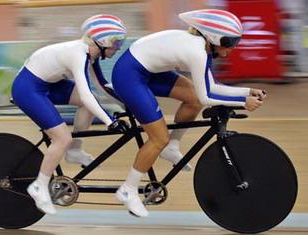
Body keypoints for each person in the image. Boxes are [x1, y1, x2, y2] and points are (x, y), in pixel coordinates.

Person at [112, 9, 267, 217]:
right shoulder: (197, 51)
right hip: (129, 75)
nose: (234, 47)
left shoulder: (204, 46)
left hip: (147, 69)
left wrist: (247, 91)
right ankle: (127, 190)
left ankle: (173, 147)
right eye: (230, 42)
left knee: (192, 99)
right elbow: (207, 98)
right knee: (159, 138)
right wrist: (242, 101)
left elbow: (210, 87)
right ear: (213, 37)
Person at [11, 14, 129, 215]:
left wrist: (127, 105)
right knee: (62, 138)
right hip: (28, 88)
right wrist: (110, 121)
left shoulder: (91, 54)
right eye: (117, 42)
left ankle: (74, 151)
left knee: (89, 104)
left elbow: (102, 86)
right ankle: (39, 186)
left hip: (48, 83)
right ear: (103, 41)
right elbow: (85, 92)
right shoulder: (79, 54)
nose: (118, 47)